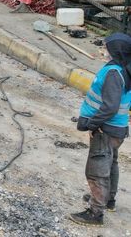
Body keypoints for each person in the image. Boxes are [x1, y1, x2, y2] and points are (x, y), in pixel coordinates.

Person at [69, 33, 131, 226]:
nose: (102, 50)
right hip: (116, 129)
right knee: (110, 164)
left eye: (106, 47)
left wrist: (92, 124)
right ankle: (108, 200)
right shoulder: (123, 69)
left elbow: (110, 107)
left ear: (115, 51)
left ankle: (95, 213)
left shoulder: (113, 73)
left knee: (97, 170)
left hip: (106, 130)